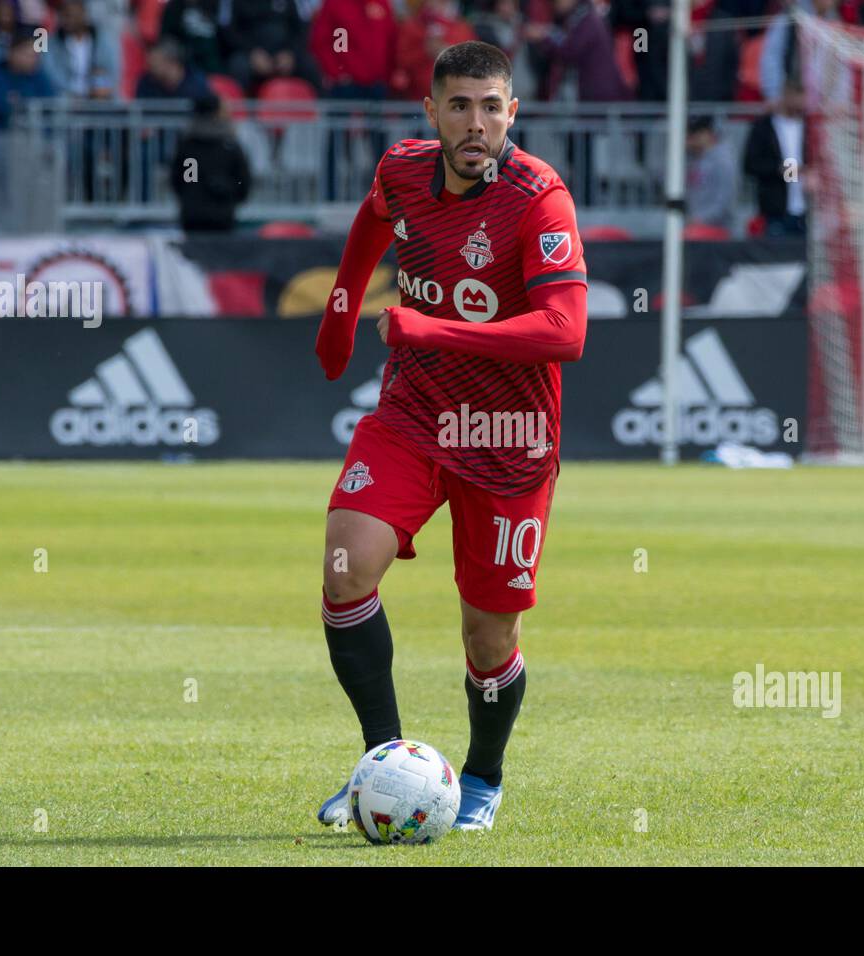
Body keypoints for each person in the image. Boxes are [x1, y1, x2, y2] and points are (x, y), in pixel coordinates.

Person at [313, 41, 587, 832]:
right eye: (460, 105)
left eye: (491, 105)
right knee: (345, 566)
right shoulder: (403, 168)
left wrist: (431, 328)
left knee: (489, 631)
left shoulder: (541, 199)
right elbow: (372, 222)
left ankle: (484, 778)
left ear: (513, 112)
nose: (477, 122)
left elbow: (566, 331)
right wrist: (340, 310)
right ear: (431, 112)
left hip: (509, 437)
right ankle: (383, 764)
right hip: (414, 415)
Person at [169, 94, 251, 232]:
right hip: (223, 213)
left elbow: (180, 180)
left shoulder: (188, 145)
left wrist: (190, 196)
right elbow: (243, 180)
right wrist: (230, 193)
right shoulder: (229, 145)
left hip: (192, 214)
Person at [743, 76, 807, 236]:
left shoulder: (809, 127)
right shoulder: (764, 127)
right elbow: (750, 164)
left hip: (806, 210)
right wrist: (781, 170)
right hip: (776, 210)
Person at [44, 0, 122, 100]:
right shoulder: (52, 43)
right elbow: (52, 76)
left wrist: (101, 84)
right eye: (64, 15)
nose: (67, 20)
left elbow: (113, 71)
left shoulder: (103, 39)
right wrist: (76, 93)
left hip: (99, 99)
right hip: (66, 101)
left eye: (71, 15)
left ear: (84, 13)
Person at [0, 29, 56, 130]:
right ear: (13, 52)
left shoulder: (39, 76)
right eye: (28, 55)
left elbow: (49, 103)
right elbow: (0, 107)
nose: (33, 60)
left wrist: (18, 101)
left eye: (36, 56)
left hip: (36, 137)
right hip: (4, 136)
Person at [686, 116, 736, 231]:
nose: (691, 139)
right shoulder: (693, 158)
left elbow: (724, 201)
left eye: (696, 134)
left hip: (717, 227)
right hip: (696, 224)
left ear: (708, 133)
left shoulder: (723, 160)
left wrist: (699, 220)